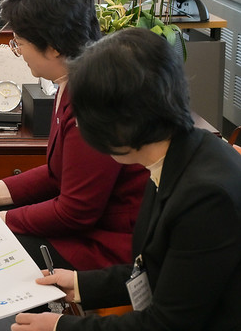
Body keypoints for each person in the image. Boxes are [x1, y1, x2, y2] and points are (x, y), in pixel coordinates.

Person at [14, 28, 241, 330]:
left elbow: (166, 324)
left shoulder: (205, 198)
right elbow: (153, 269)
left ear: (124, 120)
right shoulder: (177, 153)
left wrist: (60, 326)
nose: (82, 129)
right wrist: (81, 284)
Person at [0, 0, 148, 271]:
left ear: (53, 46)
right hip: (87, 227)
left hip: (108, 243)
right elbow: (59, 174)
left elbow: (76, 211)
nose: (18, 52)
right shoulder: (72, 78)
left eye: (19, 42)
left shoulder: (97, 97)